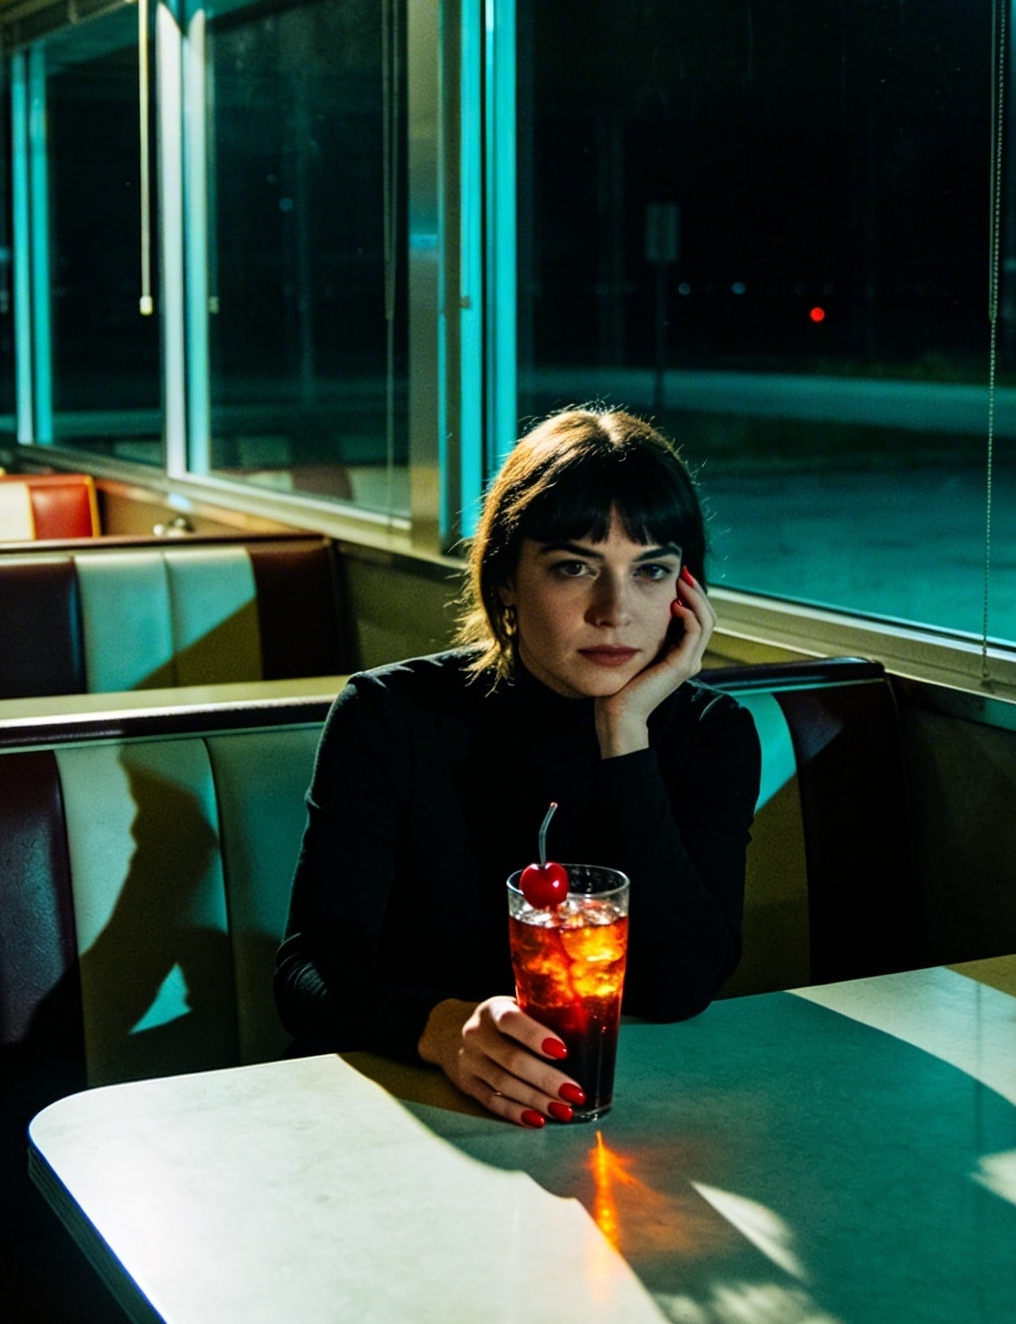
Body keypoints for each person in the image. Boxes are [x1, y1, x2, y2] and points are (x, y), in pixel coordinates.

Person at [275, 407, 761, 1125]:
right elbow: (307, 972)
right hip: (410, 1108)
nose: (615, 610)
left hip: (630, 1117)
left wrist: (625, 733)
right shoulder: (389, 716)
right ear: (504, 579)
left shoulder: (712, 735)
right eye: (574, 568)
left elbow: (683, 983)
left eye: (651, 571)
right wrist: (442, 1029)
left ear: (685, 593)